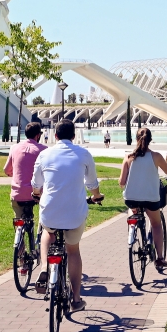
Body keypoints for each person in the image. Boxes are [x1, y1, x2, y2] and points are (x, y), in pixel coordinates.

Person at [31, 120, 103, 312]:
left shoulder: (44, 154)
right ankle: (76, 299)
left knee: (48, 232)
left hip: (50, 211)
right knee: (73, 250)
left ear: (55, 136)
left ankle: (45, 269)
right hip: (75, 213)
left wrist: (37, 195)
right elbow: (92, 183)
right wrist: (96, 196)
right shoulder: (84, 154)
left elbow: (36, 184)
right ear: (74, 136)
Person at [120, 127, 167, 271]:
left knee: (132, 212)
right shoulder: (156, 156)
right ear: (150, 140)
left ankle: (132, 229)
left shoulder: (128, 157)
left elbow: (121, 182)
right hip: (151, 199)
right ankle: (159, 258)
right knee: (156, 224)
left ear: (135, 139)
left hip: (131, 199)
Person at [3, 122, 47, 277]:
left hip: (17, 194)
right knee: (46, 220)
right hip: (37, 195)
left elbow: (6, 170)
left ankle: (22, 261)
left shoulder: (15, 148)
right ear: (38, 135)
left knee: (19, 221)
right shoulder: (43, 150)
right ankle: (41, 246)